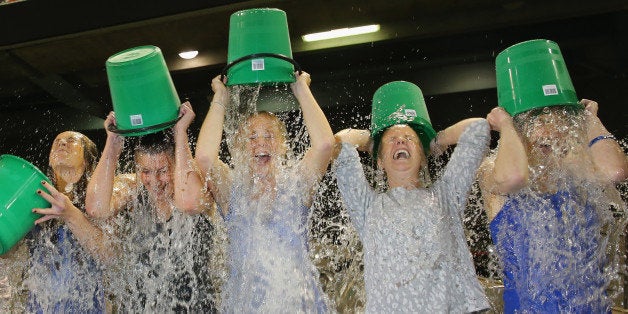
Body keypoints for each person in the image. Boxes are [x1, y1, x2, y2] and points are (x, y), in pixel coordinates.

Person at [332, 81, 490, 312]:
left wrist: (437, 141)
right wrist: (371, 141)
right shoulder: (367, 206)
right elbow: (338, 142)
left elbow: (479, 128)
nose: (400, 140)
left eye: (410, 138)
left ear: (424, 157)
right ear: (380, 161)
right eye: (391, 140)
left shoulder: (446, 195)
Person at [183, 71, 334, 312]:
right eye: (251, 138)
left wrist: (301, 89)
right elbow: (203, 157)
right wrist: (221, 97)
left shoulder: (298, 184)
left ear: (283, 145)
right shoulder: (232, 190)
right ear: (240, 149)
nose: (260, 143)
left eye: (269, 136)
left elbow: (325, 144)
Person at [479, 100, 628, 313]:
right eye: (540, 121)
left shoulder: (574, 170)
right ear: (520, 126)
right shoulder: (491, 169)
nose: (550, 130)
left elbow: (616, 172)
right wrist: (506, 126)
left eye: (560, 122)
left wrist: (589, 120)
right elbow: (513, 177)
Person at [85, 102, 217, 312]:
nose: (155, 181)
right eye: (145, 171)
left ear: (177, 165)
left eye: (163, 170)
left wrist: (180, 134)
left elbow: (190, 203)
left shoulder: (197, 186)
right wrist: (112, 143)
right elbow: (96, 209)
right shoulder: (132, 189)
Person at [25, 131, 109, 313]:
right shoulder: (33, 201)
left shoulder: (99, 203)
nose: (61, 144)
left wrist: (71, 214)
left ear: (87, 160)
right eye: (57, 141)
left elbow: (109, 256)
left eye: (71, 141)